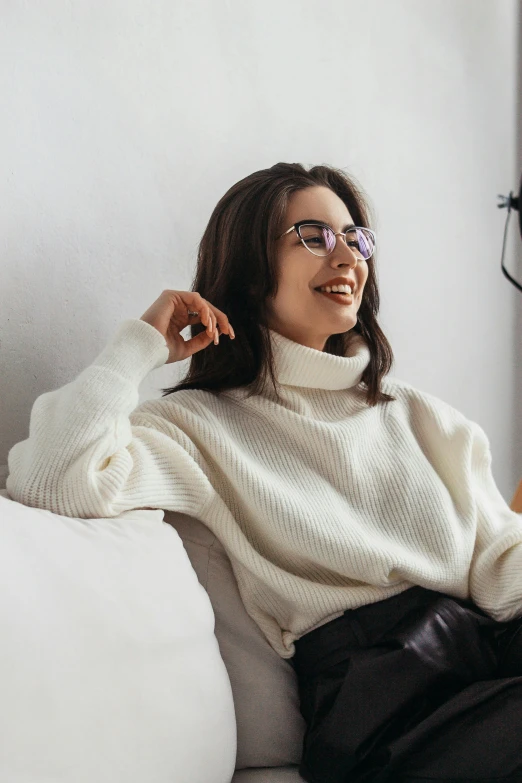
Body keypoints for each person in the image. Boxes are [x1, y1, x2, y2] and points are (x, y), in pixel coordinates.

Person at [6, 162, 522, 783]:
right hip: (386, 707)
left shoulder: (421, 417)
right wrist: (140, 345)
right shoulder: (197, 427)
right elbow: (51, 479)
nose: (347, 257)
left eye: (356, 238)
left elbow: (501, 567)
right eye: (314, 236)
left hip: (486, 658)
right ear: (250, 270)